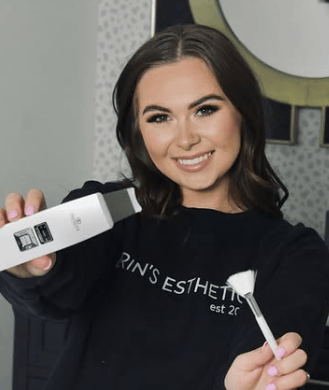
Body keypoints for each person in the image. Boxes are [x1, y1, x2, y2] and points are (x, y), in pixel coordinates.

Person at [0, 23, 328, 390]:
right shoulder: (109, 210)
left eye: (205, 110)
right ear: (138, 131)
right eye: (159, 117)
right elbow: (56, 294)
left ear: (243, 113)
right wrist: (27, 270)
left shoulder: (296, 256)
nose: (186, 139)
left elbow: (264, 366)